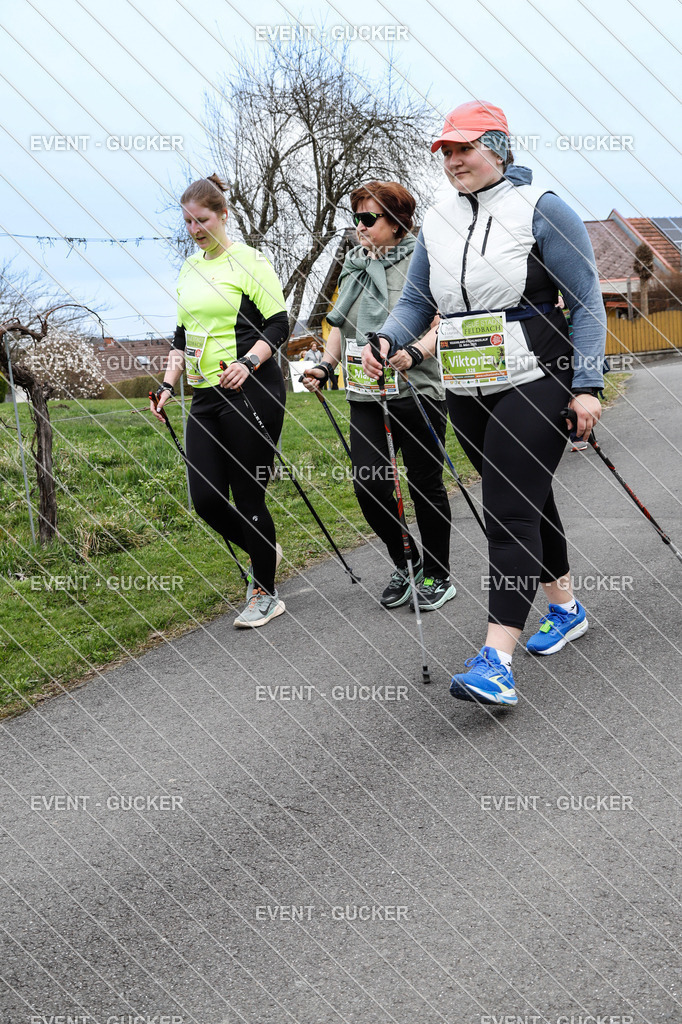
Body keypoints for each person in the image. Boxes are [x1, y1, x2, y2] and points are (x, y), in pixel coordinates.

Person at [364, 102, 606, 706]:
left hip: (538, 374)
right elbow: (416, 302)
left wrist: (587, 385)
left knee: (506, 511)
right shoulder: (438, 221)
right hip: (467, 384)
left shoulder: (541, 208)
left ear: (496, 147)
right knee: (529, 499)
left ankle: (496, 660)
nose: (452, 161)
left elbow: (586, 301)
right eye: (445, 152)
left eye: (464, 148)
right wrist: (388, 339)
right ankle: (566, 608)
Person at [303, 181, 455, 611]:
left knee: (424, 486)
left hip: (417, 389)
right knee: (369, 485)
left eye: (368, 218)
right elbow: (341, 326)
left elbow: (441, 322)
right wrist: (325, 366)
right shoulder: (353, 265)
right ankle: (407, 562)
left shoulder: (421, 262)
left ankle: (438, 575)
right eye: (356, 217)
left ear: (397, 221)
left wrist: (413, 352)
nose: (360, 226)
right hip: (366, 394)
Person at [150, 173, 289, 629]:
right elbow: (182, 336)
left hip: (253, 389)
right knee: (207, 499)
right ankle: (263, 550)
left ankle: (265, 593)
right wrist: (167, 385)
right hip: (205, 395)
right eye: (188, 223)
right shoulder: (189, 269)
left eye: (203, 220)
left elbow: (279, 323)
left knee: (248, 495)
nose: (195, 230)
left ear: (224, 215)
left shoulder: (249, 261)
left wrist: (249, 362)